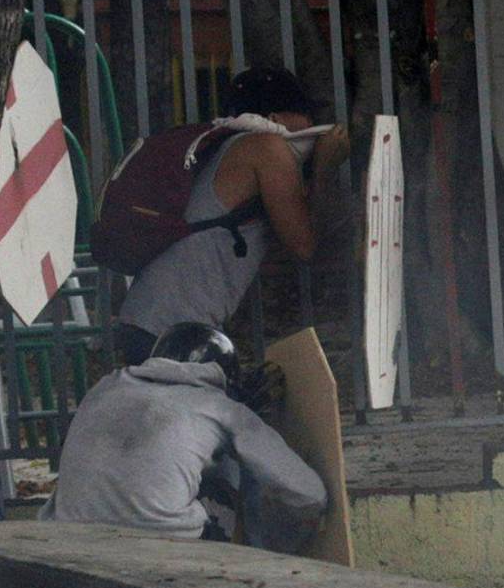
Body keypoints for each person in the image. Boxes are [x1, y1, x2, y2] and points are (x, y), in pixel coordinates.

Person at [116, 67, 351, 365]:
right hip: (173, 330)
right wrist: (325, 166)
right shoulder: (267, 148)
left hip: (152, 319)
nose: (313, 125)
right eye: (307, 115)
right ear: (276, 118)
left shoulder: (230, 148)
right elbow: (304, 245)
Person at [40, 323, 326, 544]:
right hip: (162, 549)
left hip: (68, 538)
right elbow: (309, 495)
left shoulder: (104, 388)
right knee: (230, 471)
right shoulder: (222, 408)